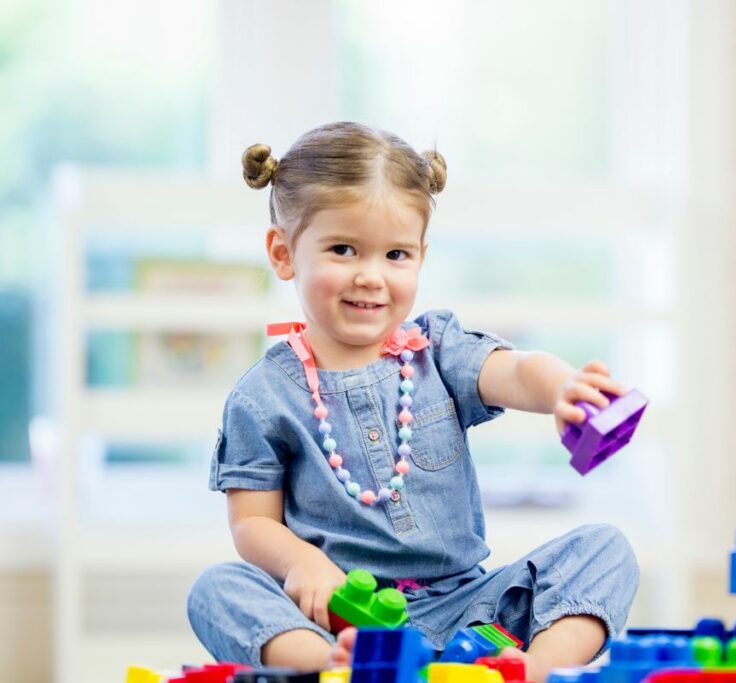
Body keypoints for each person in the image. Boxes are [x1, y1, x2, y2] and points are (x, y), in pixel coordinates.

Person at [187, 122, 639, 681]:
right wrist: (304, 564)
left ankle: (530, 669)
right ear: (284, 253)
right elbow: (253, 523)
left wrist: (562, 387)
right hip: (345, 621)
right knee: (218, 589)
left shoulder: (437, 351)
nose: (371, 276)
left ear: (421, 256)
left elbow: (516, 370)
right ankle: (337, 669)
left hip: (472, 612)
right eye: (343, 249)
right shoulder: (262, 398)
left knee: (605, 549)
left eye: (395, 254)